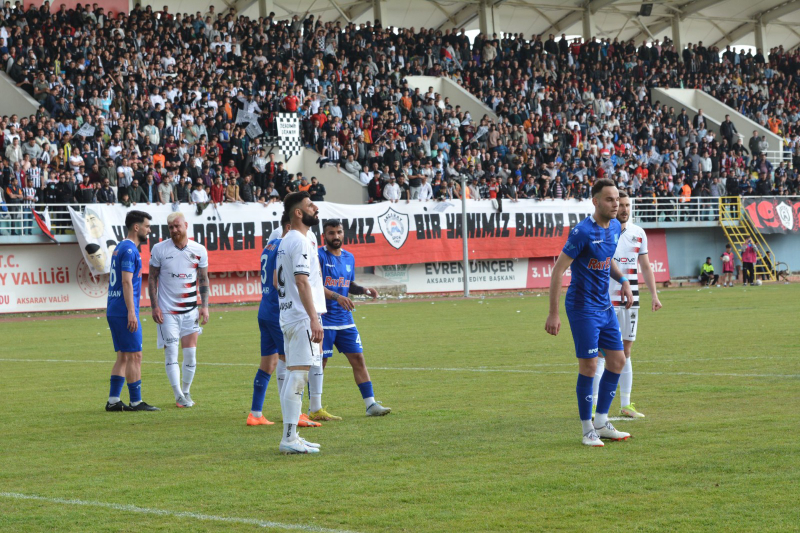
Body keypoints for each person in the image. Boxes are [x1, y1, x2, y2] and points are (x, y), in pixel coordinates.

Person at [545, 178, 635, 447]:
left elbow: (607, 264)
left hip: (605, 306)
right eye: (609, 199)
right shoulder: (582, 232)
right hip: (582, 308)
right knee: (589, 365)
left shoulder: (616, 227)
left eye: (617, 198)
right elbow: (558, 271)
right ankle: (587, 430)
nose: (615, 203)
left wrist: (625, 282)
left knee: (617, 361)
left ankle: (601, 421)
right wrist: (553, 313)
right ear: (595, 201)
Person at [306, 220, 392, 422]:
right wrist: (337, 297)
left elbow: (347, 284)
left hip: (345, 321)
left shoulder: (349, 257)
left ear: (343, 234)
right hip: (323, 320)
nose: (335, 236)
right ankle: (314, 408)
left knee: (358, 359)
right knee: (320, 364)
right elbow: (315, 286)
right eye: (331, 233)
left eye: (338, 232)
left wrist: (363, 290)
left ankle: (370, 404)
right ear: (324, 236)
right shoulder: (318, 256)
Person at [592, 191, 662, 419]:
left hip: (631, 302)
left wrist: (654, 295)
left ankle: (626, 404)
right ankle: (593, 405)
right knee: (602, 353)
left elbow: (646, 266)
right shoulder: (605, 230)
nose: (624, 209)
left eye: (627, 205)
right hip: (606, 301)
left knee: (626, 352)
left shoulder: (638, 233)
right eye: (620, 204)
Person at [249, 213, 321, 429]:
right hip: (279, 310)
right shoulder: (286, 246)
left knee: (268, 362)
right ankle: (294, 414)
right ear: (289, 226)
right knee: (291, 362)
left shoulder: (268, 247)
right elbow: (282, 280)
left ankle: (255, 413)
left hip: (264, 308)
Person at [276, 191, 326, 454]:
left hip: (289, 314)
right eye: (309, 205)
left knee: (295, 374)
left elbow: (277, 280)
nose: (314, 208)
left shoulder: (285, 240)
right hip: (300, 317)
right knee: (298, 376)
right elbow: (301, 281)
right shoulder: (301, 242)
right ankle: (288, 438)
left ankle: (292, 434)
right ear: (298, 213)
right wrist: (313, 317)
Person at [148, 212, 210, 408]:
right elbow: (151, 278)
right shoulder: (159, 249)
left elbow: (203, 279)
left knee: (191, 354)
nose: (174, 230)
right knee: (171, 354)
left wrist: (205, 306)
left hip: (191, 311)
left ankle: (186, 391)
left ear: (185, 225)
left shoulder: (199, 250)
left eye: (177, 226)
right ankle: (178, 396)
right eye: (170, 227)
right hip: (167, 312)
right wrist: (155, 306)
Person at [105, 210, 160, 412]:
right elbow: (126, 282)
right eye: (147, 226)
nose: (149, 230)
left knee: (124, 356)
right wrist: (131, 312)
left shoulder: (120, 247)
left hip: (114, 308)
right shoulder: (129, 250)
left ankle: (113, 401)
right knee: (135, 355)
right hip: (123, 310)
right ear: (136, 227)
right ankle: (136, 402)